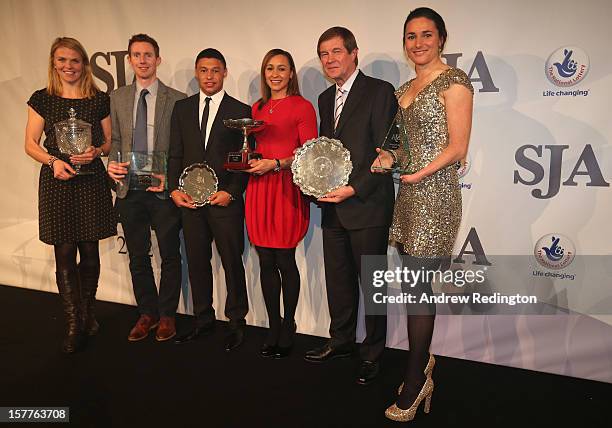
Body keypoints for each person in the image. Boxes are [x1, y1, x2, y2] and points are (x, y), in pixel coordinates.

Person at [372, 7, 474, 422]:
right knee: (413, 286)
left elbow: (458, 146)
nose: (418, 43)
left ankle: (416, 379)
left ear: (442, 39)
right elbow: (401, 145)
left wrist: (417, 173)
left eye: (426, 35)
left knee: (418, 287)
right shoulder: (402, 89)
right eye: (411, 36)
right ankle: (422, 364)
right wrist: (388, 157)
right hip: (409, 195)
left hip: (435, 194)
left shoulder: (455, 82)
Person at [303, 27, 398, 386]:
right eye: (324, 54)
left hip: (367, 205)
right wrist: (318, 184)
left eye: (336, 52)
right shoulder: (326, 99)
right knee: (338, 282)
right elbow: (329, 155)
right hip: (332, 207)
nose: (330, 60)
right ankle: (341, 340)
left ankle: (373, 353)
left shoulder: (379, 91)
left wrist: (353, 188)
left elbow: (387, 153)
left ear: (354, 53)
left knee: (372, 286)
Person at [24, 37, 116, 353]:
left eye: (74, 60)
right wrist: (53, 161)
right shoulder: (42, 99)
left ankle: (89, 314)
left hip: (90, 179)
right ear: (54, 63)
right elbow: (30, 144)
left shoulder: (99, 99)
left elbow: (109, 142)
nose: (68, 66)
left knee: (89, 251)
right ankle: (74, 323)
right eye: (62, 60)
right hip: (57, 180)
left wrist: (96, 152)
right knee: (63, 252)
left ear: (84, 64)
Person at [168, 48, 251, 351]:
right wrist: (174, 190)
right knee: (198, 263)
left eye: (215, 70)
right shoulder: (182, 108)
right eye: (203, 70)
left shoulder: (240, 110)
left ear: (225, 72)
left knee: (232, 263)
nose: (209, 76)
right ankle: (203, 319)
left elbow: (244, 160)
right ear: (196, 73)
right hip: (190, 202)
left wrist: (232, 191)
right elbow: (175, 153)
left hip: (224, 201)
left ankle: (237, 322)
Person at [107, 34, 186, 342]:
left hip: (162, 188)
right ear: (129, 60)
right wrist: (112, 165)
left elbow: (179, 146)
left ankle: (167, 315)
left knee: (169, 255)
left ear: (158, 59)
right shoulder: (118, 97)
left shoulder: (177, 99)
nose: (142, 60)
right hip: (129, 189)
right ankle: (147, 313)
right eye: (136, 55)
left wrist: (169, 176)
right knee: (138, 255)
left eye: (148, 55)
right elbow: (116, 141)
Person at [244, 49, 317, 358]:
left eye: (281, 68)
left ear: (291, 74)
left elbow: (310, 153)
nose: (275, 74)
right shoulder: (256, 108)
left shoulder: (302, 106)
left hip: (287, 188)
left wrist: (275, 163)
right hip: (259, 189)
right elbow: (250, 147)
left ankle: (289, 324)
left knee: (285, 260)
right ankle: (272, 324)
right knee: (265, 261)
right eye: (270, 68)